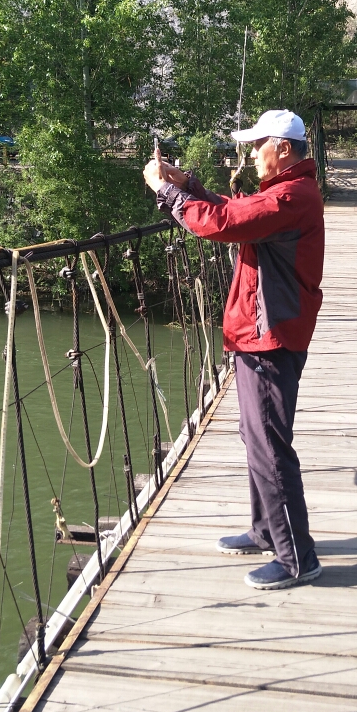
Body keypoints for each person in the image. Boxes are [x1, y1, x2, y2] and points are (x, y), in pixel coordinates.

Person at [143, 109, 325, 590]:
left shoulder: (291, 196)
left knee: (268, 444)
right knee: (256, 436)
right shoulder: (285, 193)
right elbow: (236, 211)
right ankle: (268, 529)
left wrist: (168, 192)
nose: (250, 154)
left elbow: (224, 222)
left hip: (271, 337)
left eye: (256, 144)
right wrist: (190, 186)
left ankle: (296, 559)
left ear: (282, 149)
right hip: (260, 332)